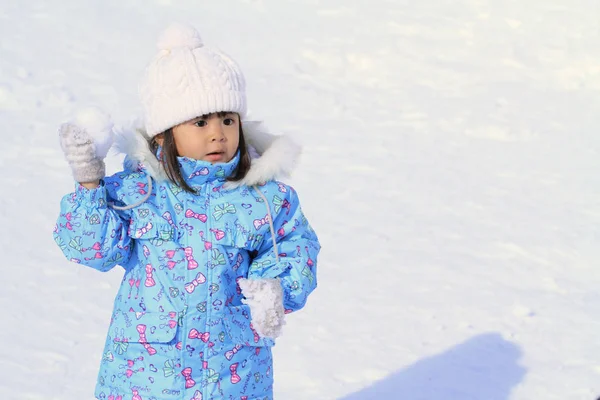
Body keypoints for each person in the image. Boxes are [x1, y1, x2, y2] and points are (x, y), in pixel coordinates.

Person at [53, 23, 320, 400]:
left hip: (235, 374)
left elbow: (294, 247)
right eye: (200, 122)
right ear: (164, 134)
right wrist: (89, 182)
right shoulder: (141, 192)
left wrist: (273, 288)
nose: (218, 133)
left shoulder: (264, 198)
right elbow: (90, 248)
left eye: (227, 119)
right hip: (147, 375)